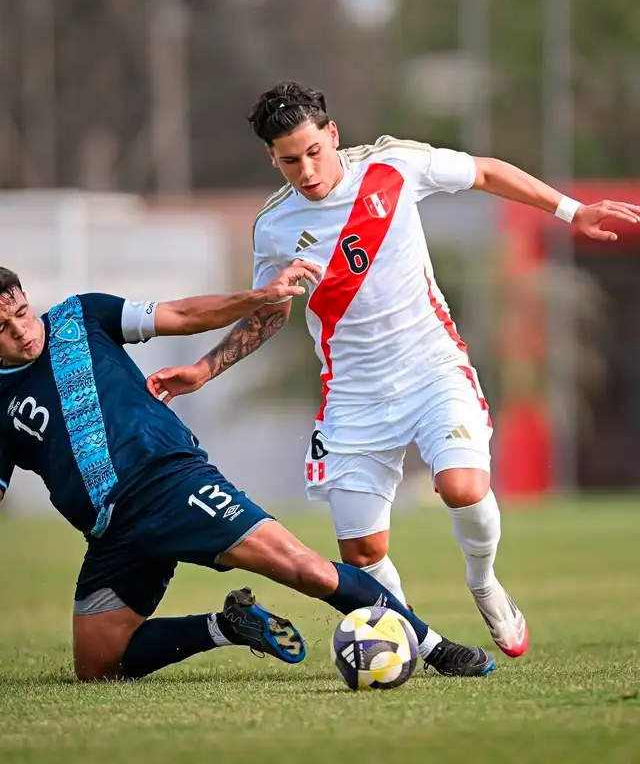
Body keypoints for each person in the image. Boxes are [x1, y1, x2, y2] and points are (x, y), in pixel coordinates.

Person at [146, 82, 640, 660]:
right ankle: (420, 645)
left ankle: (484, 583)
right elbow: (269, 315)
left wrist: (574, 211)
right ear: (271, 158)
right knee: (360, 552)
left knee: (462, 487)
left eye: (313, 152)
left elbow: (484, 171)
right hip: (352, 395)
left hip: (433, 367)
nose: (306, 170)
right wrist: (205, 369)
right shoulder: (275, 228)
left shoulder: (394, 165)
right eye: (288, 161)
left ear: (332, 135)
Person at [0, 265, 494, 682]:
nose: (21, 330)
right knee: (96, 665)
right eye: (2, 328)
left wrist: (258, 296)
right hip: (112, 533)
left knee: (307, 570)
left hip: (172, 485)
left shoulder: (80, 316)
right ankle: (229, 626)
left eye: (20, 312)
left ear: (26, 299)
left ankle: (435, 648)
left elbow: (182, 314)